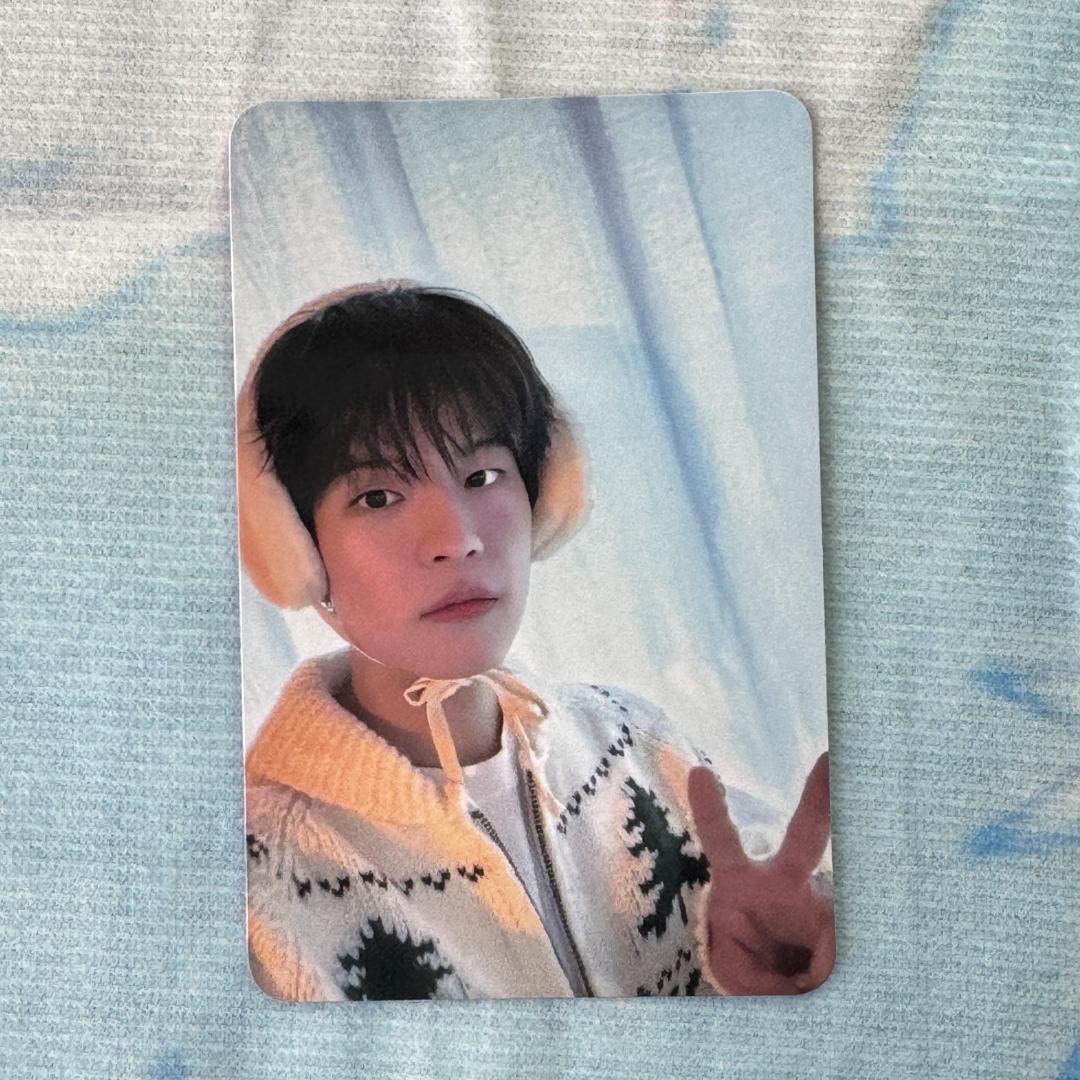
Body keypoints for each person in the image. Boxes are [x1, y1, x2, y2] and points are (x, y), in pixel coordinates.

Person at [237, 280, 835, 1001]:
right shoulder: (256, 884)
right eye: (378, 497)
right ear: (294, 550)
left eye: (483, 474)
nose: (457, 539)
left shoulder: (631, 741)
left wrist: (782, 989)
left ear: (545, 496)